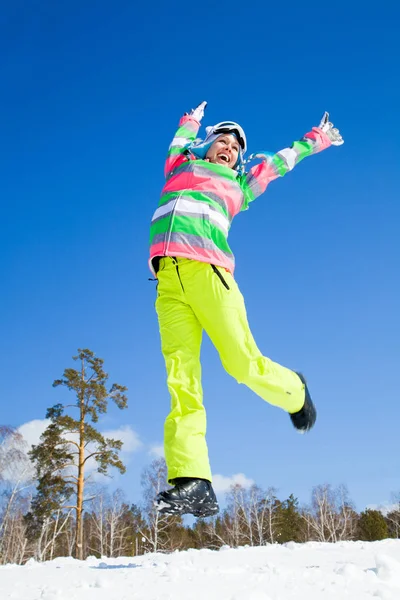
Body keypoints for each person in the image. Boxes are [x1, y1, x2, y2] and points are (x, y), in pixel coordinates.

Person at [149, 101, 343, 517]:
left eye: (237, 147)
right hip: (168, 282)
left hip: (210, 273)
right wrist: (190, 121)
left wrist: (317, 139)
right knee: (181, 380)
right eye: (224, 141)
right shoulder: (180, 167)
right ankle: (194, 481)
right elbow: (178, 142)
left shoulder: (241, 183)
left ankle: (294, 390)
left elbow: (280, 162)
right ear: (207, 146)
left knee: (241, 364)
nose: (230, 148)